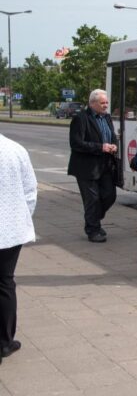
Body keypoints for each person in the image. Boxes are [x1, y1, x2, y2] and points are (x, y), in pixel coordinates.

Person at [0, 133, 37, 363]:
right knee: (5, 283)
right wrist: (21, 219)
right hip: (10, 231)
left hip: (10, 229)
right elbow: (30, 191)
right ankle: (4, 342)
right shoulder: (15, 149)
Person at [67, 89, 118, 243]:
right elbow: (76, 143)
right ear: (92, 103)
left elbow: (112, 136)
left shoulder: (107, 117)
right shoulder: (81, 118)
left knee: (110, 195)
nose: (106, 105)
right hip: (86, 167)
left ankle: (93, 219)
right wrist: (100, 147)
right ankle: (93, 230)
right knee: (92, 200)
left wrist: (114, 145)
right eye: (102, 103)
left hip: (106, 165)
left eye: (107, 102)